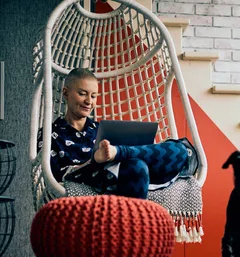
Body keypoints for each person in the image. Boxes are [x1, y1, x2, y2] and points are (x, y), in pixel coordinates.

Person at [37, 67, 197, 199]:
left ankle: (121, 152)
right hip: (98, 176)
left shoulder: (101, 129)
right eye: (82, 93)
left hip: (121, 168)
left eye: (93, 96)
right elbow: (55, 176)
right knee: (137, 166)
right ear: (65, 93)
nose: (89, 101)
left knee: (181, 151)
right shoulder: (50, 134)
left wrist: (145, 148)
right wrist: (95, 160)